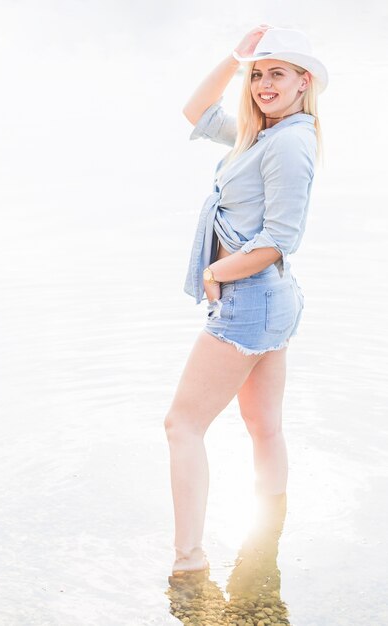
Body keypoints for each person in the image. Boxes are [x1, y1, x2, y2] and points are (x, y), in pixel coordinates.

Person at [163, 25, 328, 574]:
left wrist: (216, 269)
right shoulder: (260, 134)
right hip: (272, 302)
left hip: (250, 300)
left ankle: (188, 563)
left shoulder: (288, 143)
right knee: (265, 427)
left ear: (305, 81)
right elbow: (196, 110)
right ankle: (266, 551)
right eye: (258, 75)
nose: (263, 83)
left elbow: (280, 239)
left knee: (181, 425)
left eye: (277, 73)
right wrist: (236, 56)